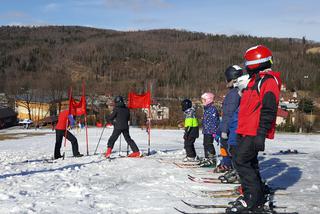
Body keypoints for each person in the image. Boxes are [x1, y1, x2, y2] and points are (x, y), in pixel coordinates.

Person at [226, 45, 281, 213]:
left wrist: (261, 133)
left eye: (248, 63)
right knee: (249, 161)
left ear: (257, 62)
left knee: (241, 161)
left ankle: (253, 199)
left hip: (254, 130)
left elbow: (269, 109)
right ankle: (257, 192)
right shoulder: (255, 80)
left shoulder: (268, 81)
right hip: (245, 130)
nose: (246, 66)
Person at [215, 65, 243, 173]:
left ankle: (228, 165)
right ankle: (229, 165)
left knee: (227, 148)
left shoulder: (233, 94)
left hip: (231, 128)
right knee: (231, 149)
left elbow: (229, 114)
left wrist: (223, 130)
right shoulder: (238, 92)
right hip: (233, 127)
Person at [199, 92, 219, 167]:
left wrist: (214, 131)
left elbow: (215, 121)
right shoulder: (207, 109)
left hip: (210, 131)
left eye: (203, 100)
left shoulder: (212, 109)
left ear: (208, 100)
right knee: (205, 144)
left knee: (209, 144)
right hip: (206, 130)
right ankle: (207, 157)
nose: (202, 102)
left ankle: (211, 159)